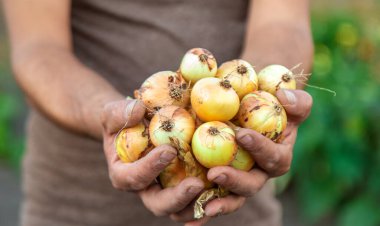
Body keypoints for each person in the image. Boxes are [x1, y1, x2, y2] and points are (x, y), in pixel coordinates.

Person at [3, 0, 313, 225]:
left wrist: (264, 94)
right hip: (77, 204)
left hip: (235, 197)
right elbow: (38, 47)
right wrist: (109, 115)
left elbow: (283, 23)